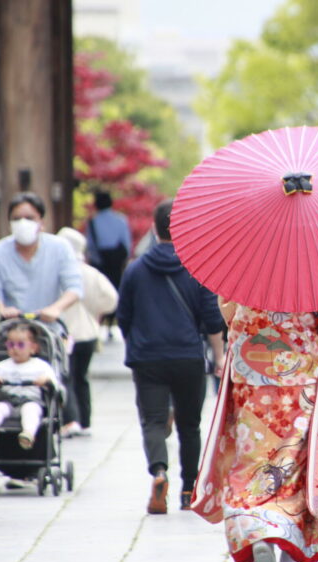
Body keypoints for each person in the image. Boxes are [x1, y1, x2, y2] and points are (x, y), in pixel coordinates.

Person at [191, 301, 318, 562]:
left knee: (253, 458)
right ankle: (290, 557)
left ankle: (258, 528)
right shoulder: (315, 269)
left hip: (251, 372)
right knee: (298, 463)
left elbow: (228, 313)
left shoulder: (243, 266)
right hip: (302, 374)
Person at [118, 199, 224, 514]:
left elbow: (123, 316)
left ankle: (159, 472)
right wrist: (218, 356)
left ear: (154, 227)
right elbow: (212, 319)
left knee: (152, 420)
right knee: (190, 425)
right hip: (188, 356)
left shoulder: (136, 270)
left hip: (148, 357)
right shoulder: (197, 268)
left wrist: (137, 342)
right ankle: (188, 490)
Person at [0, 191, 82, 324]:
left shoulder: (60, 247)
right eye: (16, 219)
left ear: (41, 222)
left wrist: (55, 308)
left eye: (29, 218)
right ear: (9, 223)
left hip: (50, 328)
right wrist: (2, 309)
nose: (23, 223)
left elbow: (74, 288)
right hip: (11, 330)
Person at [56, 227, 118, 435]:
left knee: (67, 377)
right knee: (82, 378)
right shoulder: (91, 273)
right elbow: (111, 298)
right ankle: (85, 421)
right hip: (89, 332)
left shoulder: (60, 270)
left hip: (67, 333)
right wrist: (95, 310)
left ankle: (71, 419)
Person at [0, 322, 62, 449]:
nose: (15, 348)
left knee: (31, 412)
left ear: (33, 348)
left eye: (20, 345)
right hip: (7, 400)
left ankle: (28, 434)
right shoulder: (2, 366)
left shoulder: (41, 366)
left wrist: (46, 380)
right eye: (10, 344)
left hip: (31, 400)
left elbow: (54, 384)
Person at [85, 191, 131, 291]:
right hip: (117, 265)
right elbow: (127, 245)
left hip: (100, 265)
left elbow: (91, 247)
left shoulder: (93, 222)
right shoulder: (121, 220)